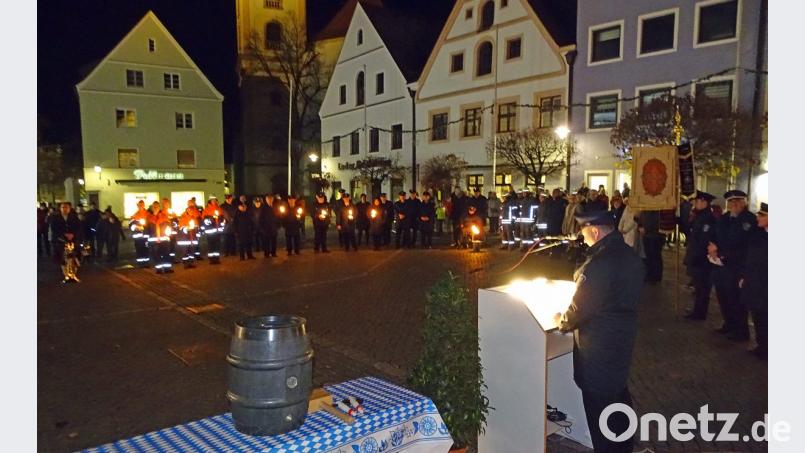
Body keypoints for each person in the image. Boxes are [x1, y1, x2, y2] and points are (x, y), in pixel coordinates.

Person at [554, 206, 644, 453]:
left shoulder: (598, 263)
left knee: (600, 408)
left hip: (598, 345)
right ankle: (624, 445)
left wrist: (563, 320)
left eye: (583, 232)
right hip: (621, 337)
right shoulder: (628, 254)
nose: (582, 237)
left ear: (594, 230)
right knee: (618, 395)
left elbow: (581, 307)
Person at [709, 190, 756, 342]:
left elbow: (745, 245)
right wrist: (713, 248)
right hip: (720, 265)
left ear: (744, 203)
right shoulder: (723, 218)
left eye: (738, 201)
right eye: (731, 202)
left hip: (737, 266)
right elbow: (715, 236)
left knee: (737, 300)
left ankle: (741, 332)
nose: (734, 204)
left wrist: (722, 254)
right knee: (723, 297)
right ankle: (729, 324)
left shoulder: (750, 220)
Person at [683, 191, 717, 320]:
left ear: (705, 202)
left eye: (698, 201)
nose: (695, 203)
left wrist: (696, 256)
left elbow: (704, 240)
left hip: (702, 260)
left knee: (703, 288)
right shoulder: (699, 216)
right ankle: (697, 311)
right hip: (696, 257)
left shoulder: (708, 218)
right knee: (698, 288)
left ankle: (700, 313)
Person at [740, 202, 767, 359]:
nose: (758, 217)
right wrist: (745, 275)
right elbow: (749, 257)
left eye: (762, 215)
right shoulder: (758, 234)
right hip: (755, 281)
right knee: (757, 315)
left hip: (766, 284)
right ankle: (762, 345)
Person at [49, 202, 83, 272]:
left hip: (73, 239)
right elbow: (54, 229)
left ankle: (74, 268)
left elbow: (78, 227)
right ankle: (64, 270)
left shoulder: (74, 217)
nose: (65, 209)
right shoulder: (55, 218)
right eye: (63, 207)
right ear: (60, 208)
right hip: (60, 239)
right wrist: (64, 235)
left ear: (69, 209)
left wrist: (73, 234)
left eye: (67, 207)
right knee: (62, 255)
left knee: (74, 253)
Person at [638, 210, 664, 284]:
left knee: (655, 256)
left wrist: (645, 228)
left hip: (655, 236)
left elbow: (656, 222)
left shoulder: (657, 210)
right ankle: (651, 274)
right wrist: (640, 226)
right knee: (649, 255)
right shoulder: (644, 210)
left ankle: (655, 276)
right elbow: (641, 219)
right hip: (647, 236)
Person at [148, 201, 173, 274]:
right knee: (156, 255)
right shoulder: (149, 217)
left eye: (157, 207)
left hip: (164, 239)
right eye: (154, 207)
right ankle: (158, 269)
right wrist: (147, 239)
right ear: (152, 208)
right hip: (153, 240)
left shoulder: (164, 216)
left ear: (159, 207)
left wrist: (168, 235)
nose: (155, 208)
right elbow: (146, 229)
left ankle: (167, 269)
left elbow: (169, 226)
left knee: (166, 254)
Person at [201, 196, 224, 263]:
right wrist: (212, 219)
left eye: (215, 200)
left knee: (217, 245)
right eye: (212, 200)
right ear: (210, 201)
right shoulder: (207, 209)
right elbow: (204, 220)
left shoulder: (219, 208)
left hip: (217, 230)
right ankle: (211, 259)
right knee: (211, 245)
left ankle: (217, 259)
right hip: (210, 231)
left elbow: (222, 218)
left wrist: (220, 221)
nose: (214, 201)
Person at [129, 200, 151, 267]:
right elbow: (130, 225)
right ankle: (140, 263)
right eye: (139, 205)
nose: (141, 206)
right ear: (137, 206)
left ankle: (146, 263)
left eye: (142, 205)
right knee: (139, 250)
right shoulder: (135, 215)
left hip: (146, 236)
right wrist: (136, 227)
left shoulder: (148, 214)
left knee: (146, 250)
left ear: (144, 205)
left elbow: (151, 224)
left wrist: (145, 227)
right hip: (138, 237)